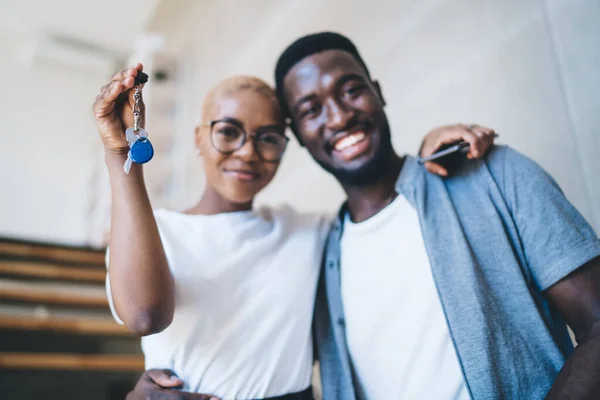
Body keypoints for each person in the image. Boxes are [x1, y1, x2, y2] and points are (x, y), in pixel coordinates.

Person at [93, 65, 495, 400]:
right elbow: (145, 315)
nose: (249, 152)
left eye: (268, 139)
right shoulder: (155, 231)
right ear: (199, 138)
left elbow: (384, 203)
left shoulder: (307, 231)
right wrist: (119, 158)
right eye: (228, 131)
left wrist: (428, 152)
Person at [271, 32, 600, 399]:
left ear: (378, 92)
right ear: (298, 135)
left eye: (350, 90)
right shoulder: (313, 262)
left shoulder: (494, 174)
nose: (339, 116)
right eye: (311, 110)